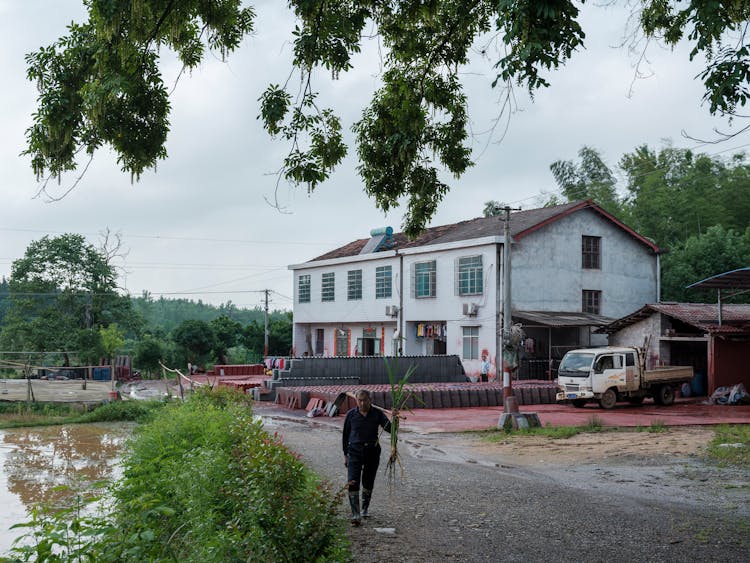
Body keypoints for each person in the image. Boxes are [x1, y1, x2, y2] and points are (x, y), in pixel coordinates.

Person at [342, 389, 392, 525]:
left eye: (365, 400)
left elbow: (390, 429)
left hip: (372, 451)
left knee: (368, 481)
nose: (362, 403)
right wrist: (345, 455)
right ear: (356, 400)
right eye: (360, 400)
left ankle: (364, 508)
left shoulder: (377, 414)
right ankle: (355, 514)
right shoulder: (351, 415)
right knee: (352, 480)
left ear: (370, 400)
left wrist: (395, 418)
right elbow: (345, 436)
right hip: (354, 451)